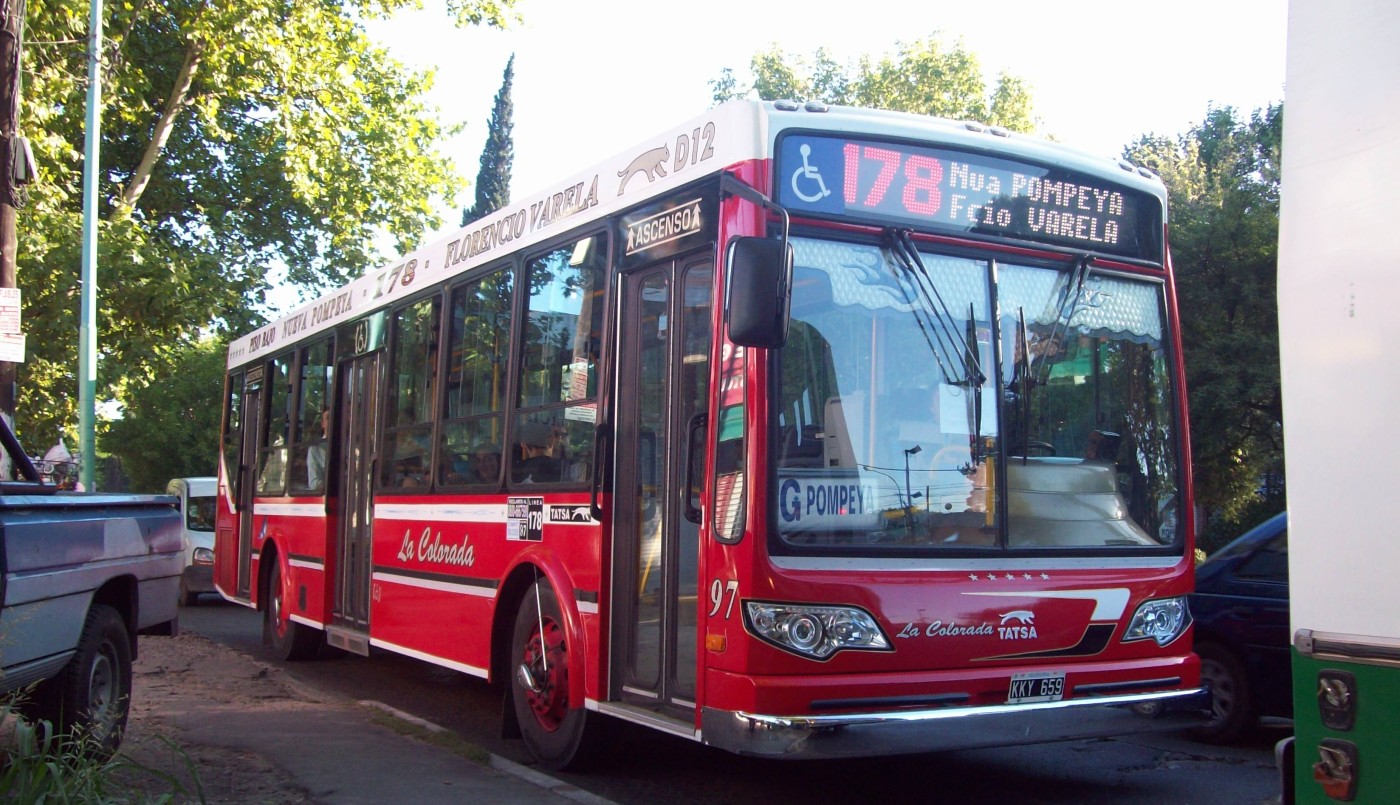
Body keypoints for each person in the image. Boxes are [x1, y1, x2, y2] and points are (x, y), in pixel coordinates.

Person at [307, 408, 330, 489]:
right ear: (322, 424)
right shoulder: (315, 449)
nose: (332, 421)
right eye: (328, 418)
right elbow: (314, 484)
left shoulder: (352, 446)